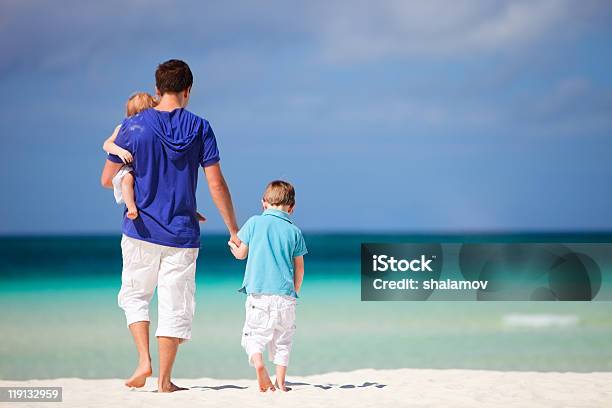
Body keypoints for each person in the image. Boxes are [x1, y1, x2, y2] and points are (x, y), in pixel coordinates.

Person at [100, 59, 240, 393]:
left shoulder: (134, 126)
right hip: (182, 233)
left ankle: (143, 361)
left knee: (136, 296)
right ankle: (164, 380)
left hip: (140, 231)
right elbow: (216, 184)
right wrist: (233, 229)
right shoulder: (201, 127)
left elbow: (107, 179)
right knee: (175, 304)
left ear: (158, 89)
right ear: (188, 91)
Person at [228, 180, 307, 392]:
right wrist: (294, 291)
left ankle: (259, 364)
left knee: (254, 334)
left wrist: (233, 247)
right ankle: (281, 382)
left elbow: (241, 254)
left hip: (259, 295)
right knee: (283, 341)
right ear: (292, 207)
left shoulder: (254, 223)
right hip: (285, 296)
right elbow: (299, 269)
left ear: (263, 203)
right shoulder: (295, 231)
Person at [102, 92, 207, 222]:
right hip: (125, 168)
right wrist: (120, 152)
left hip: (138, 169)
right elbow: (107, 144)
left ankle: (189, 212)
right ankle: (131, 207)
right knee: (128, 180)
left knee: (170, 186)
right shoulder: (125, 129)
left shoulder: (150, 131)